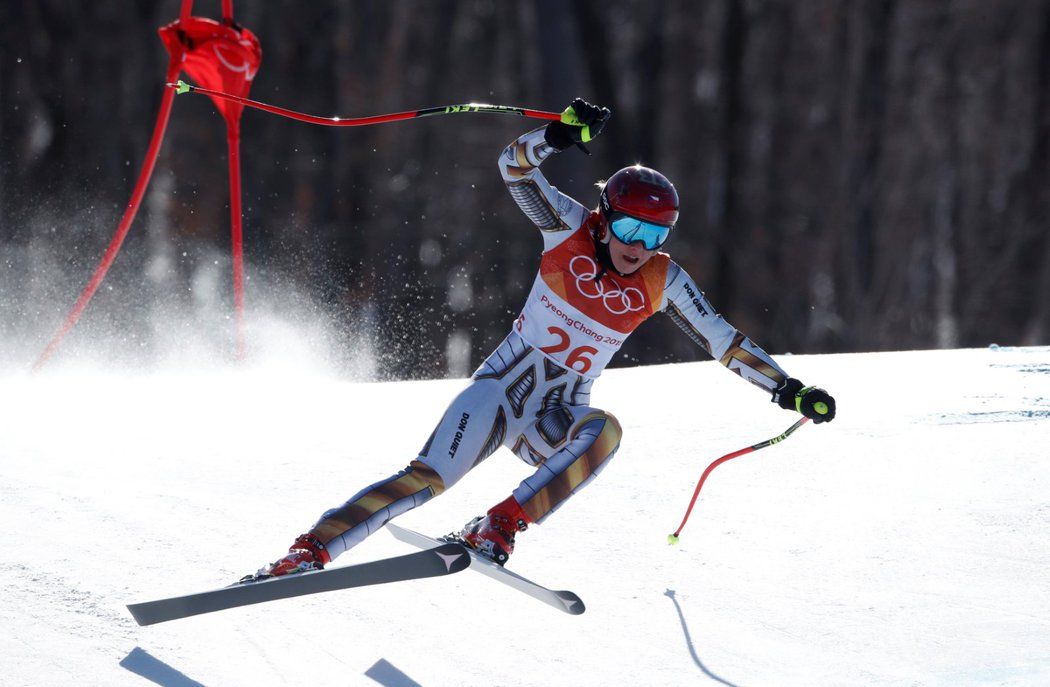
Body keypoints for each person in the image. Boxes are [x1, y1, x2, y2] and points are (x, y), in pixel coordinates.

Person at [250, 99, 836, 578]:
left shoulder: (663, 281)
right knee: (426, 479)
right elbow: (513, 168)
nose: (638, 246)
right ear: (606, 217)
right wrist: (555, 137)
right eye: (630, 227)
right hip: (500, 395)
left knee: (605, 431)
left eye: (655, 235)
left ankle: (499, 523)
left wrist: (788, 390)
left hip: (554, 419)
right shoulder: (568, 230)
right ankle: (310, 550)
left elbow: (725, 342)